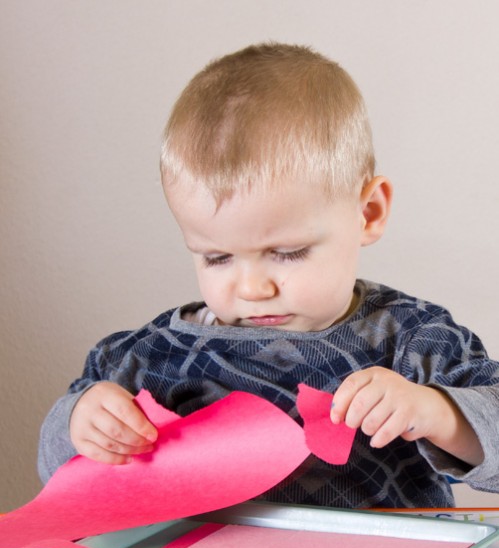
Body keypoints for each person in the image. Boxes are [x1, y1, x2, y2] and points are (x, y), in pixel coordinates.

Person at [38, 42, 499, 508]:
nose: (253, 289)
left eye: (288, 252)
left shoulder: (416, 340)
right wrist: (80, 422)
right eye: (217, 258)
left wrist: (437, 412)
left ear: (368, 212)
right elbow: (58, 472)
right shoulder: (145, 359)